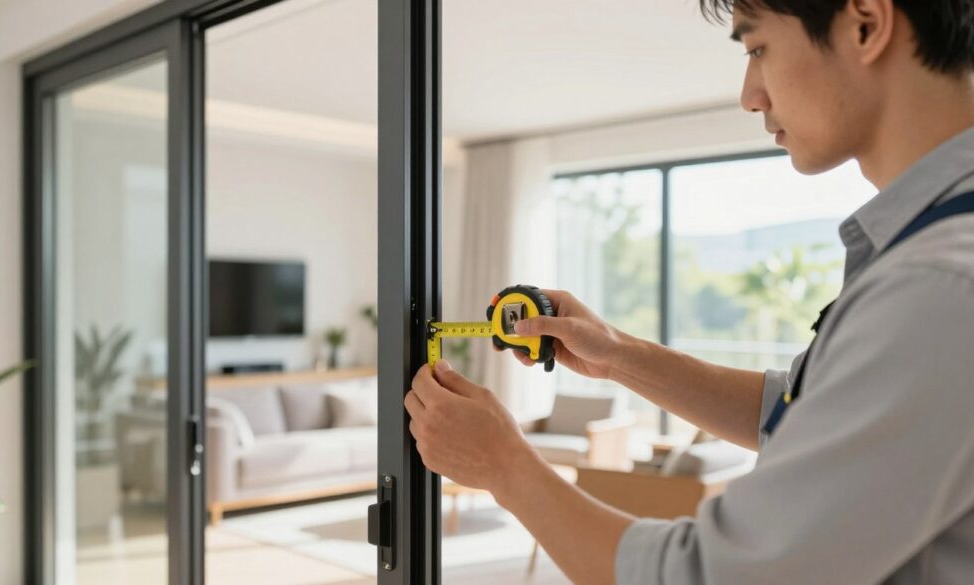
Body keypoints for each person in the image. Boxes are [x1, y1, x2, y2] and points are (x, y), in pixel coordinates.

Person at [404, 0, 974, 583]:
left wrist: (505, 467)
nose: (750, 94)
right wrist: (617, 354)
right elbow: (796, 411)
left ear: (865, 25)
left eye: (757, 49)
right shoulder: (927, 260)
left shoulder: (937, 287)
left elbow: (711, 574)